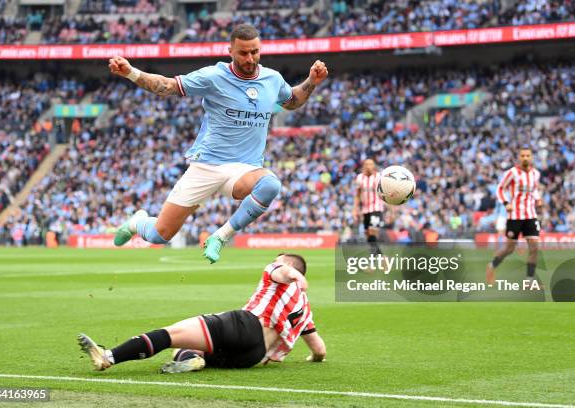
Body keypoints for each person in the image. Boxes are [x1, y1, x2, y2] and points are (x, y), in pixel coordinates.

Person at [108, 24, 328, 263]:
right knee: (160, 234)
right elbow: (167, 86)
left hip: (245, 168)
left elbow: (292, 101)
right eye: (243, 53)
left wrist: (312, 81)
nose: (250, 58)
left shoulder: (272, 79)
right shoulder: (214, 76)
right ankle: (136, 222)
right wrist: (131, 72)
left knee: (270, 184)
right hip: (207, 166)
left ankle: (220, 237)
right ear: (230, 51)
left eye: (254, 51)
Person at [78, 254, 326, 372]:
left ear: (289, 264)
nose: (275, 260)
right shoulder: (305, 310)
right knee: (189, 350)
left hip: (245, 325)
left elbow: (287, 273)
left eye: (280, 259)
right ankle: (195, 360)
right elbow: (319, 349)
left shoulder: (281, 271)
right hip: (253, 357)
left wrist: (296, 277)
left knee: (170, 334)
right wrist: (313, 359)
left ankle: (108, 357)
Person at [486, 147, 543, 284]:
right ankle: (491, 265)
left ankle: (529, 282)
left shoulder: (535, 174)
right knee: (509, 248)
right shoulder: (512, 173)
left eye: (528, 155)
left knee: (534, 247)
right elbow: (500, 189)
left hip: (530, 215)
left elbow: (534, 190)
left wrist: (538, 199)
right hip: (515, 216)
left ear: (531, 157)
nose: (525, 158)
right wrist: (506, 203)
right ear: (519, 157)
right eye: (522, 155)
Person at [352, 159, 384, 255]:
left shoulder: (378, 177)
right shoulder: (360, 178)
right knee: (368, 235)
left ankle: (375, 258)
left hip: (376, 208)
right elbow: (357, 195)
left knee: (372, 231)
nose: (368, 166)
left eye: (370, 164)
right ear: (363, 166)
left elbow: (385, 192)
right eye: (366, 164)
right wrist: (355, 209)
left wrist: (392, 210)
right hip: (365, 209)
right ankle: (379, 256)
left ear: (374, 166)